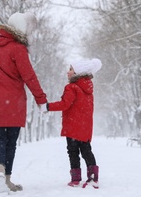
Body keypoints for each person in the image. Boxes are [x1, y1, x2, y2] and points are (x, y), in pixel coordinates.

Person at [0, 12, 47, 194]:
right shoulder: (18, 49)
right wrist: (41, 100)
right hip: (12, 104)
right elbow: (29, 77)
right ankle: (7, 179)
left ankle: (0, 173)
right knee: (10, 142)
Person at [41, 58, 102, 188]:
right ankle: (92, 178)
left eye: (70, 69)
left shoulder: (72, 87)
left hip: (73, 126)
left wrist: (47, 107)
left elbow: (65, 104)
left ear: (78, 72)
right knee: (86, 151)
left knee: (73, 152)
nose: (67, 72)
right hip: (85, 126)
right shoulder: (88, 89)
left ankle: (75, 179)